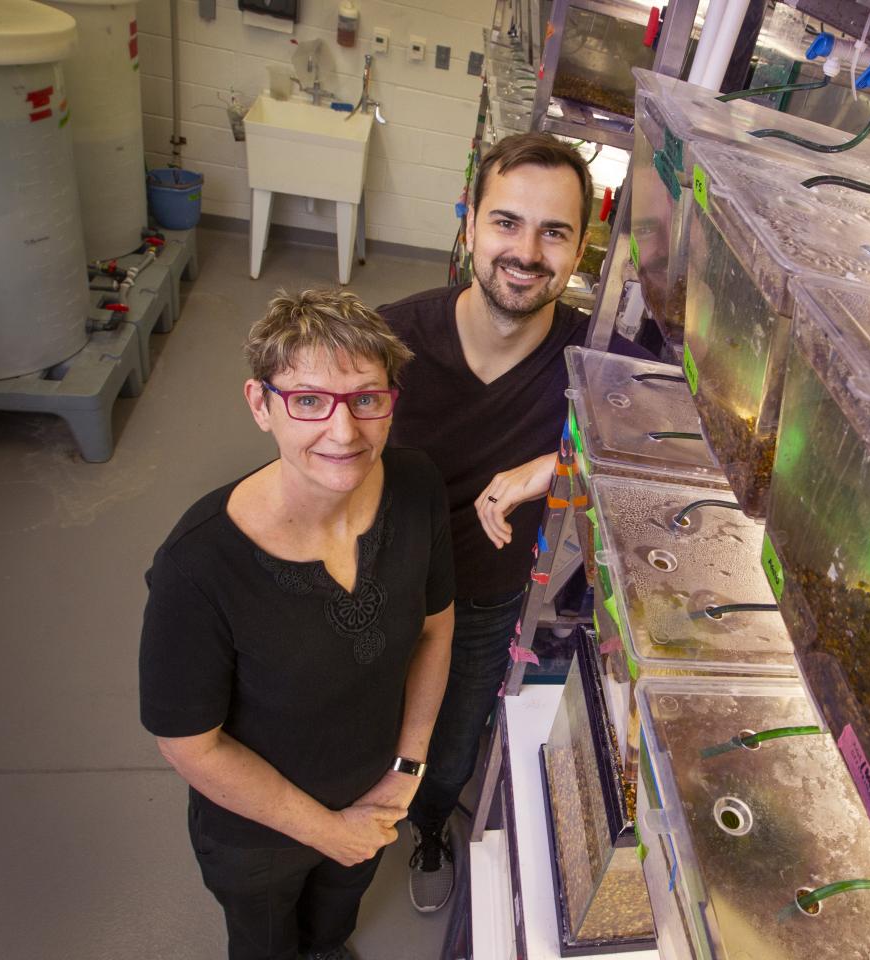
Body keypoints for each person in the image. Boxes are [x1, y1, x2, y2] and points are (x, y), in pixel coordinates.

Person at [380, 131, 653, 913]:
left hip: (486, 600)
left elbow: (697, 437)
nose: (526, 252)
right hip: (377, 587)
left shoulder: (595, 359)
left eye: (554, 232)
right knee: (355, 725)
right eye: (507, 222)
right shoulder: (388, 338)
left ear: (580, 249)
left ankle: (431, 825)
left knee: (456, 734)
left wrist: (557, 463)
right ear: (469, 225)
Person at [139, 290, 456, 960]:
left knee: (334, 927)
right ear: (261, 404)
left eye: (366, 398)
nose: (344, 433)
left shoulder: (417, 485)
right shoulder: (197, 566)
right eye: (309, 401)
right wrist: (327, 831)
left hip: (375, 800)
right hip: (261, 836)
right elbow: (190, 746)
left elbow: (435, 625)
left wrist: (406, 767)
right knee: (267, 942)